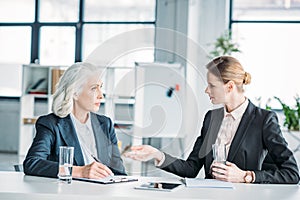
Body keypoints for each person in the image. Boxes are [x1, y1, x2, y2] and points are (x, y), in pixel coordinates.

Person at [125, 56, 299, 184]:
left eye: (212, 85)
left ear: (230, 86)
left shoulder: (264, 120)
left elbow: (291, 173)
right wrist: (157, 154)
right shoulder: (212, 118)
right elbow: (191, 168)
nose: (206, 90)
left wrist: (246, 176)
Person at [23, 62, 126, 179]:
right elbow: (32, 163)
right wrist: (79, 172)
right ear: (75, 93)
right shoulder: (51, 124)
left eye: (100, 87)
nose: (101, 95)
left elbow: (119, 172)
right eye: (93, 89)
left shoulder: (105, 124)